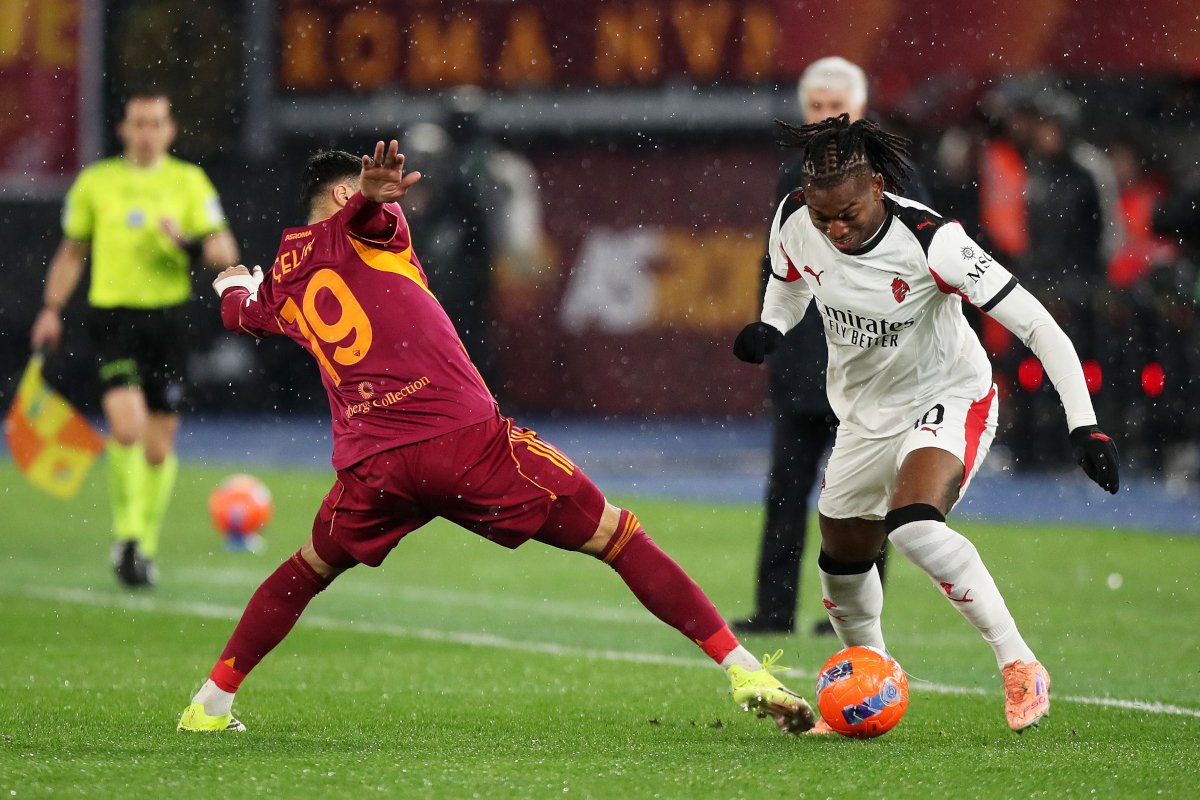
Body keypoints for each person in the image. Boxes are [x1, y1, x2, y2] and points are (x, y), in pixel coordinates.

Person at [176, 142, 815, 735]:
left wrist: (233, 282)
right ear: (346, 198)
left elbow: (241, 313)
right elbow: (368, 220)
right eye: (364, 194)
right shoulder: (375, 230)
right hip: (462, 440)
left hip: (374, 466)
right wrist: (372, 199)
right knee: (617, 536)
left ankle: (210, 704)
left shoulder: (286, 277)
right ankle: (743, 670)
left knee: (307, 569)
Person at [733, 115, 1119, 733]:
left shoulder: (934, 241)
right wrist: (772, 326)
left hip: (951, 393)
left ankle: (1020, 664)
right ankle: (873, 677)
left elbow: (1038, 325)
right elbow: (789, 284)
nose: (834, 229)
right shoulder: (793, 218)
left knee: (911, 526)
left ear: (878, 187)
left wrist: (1085, 425)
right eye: (822, 215)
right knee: (841, 558)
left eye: (849, 215)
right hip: (863, 415)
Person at [29, 91, 239, 587]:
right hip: (114, 320)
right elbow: (71, 252)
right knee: (126, 428)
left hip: (168, 322)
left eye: (156, 123)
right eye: (138, 123)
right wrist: (51, 308)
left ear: (170, 130)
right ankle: (127, 537)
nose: (146, 132)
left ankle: (142, 545)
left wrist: (185, 243)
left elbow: (224, 250)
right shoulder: (97, 182)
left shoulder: (188, 182)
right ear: (123, 129)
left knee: (158, 447)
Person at [732, 57, 891, 637]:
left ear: (860, 108)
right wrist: (769, 334)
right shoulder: (789, 179)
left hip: (869, 365)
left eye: (834, 105)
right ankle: (773, 610)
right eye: (816, 106)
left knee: (864, 502)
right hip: (803, 363)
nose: (824, 117)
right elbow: (778, 269)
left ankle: (852, 617)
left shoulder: (892, 176)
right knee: (786, 494)